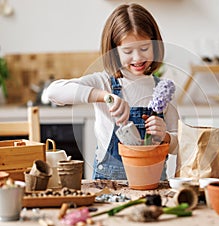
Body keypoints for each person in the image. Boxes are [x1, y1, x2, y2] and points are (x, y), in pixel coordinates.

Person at [47, 3, 179, 180]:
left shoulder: (162, 90)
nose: (138, 57)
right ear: (114, 52)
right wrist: (103, 97)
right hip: (108, 186)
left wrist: (166, 137)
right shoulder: (104, 83)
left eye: (144, 48)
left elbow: (181, 144)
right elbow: (53, 92)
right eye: (128, 51)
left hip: (154, 187)